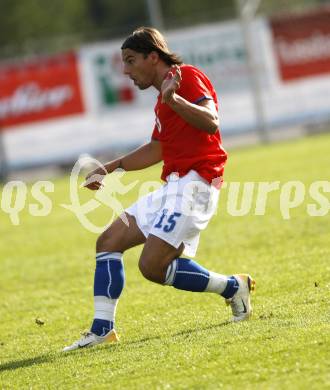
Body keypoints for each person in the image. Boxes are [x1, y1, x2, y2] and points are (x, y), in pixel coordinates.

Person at [63, 27, 255, 352]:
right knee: (108, 240)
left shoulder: (186, 78)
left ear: (153, 57)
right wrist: (109, 168)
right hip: (175, 185)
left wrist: (176, 99)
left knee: (152, 267)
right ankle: (102, 330)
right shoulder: (162, 100)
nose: (125, 70)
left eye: (130, 60)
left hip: (197, 185)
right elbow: (157, 149)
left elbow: (211, 121)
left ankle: (233, 287)